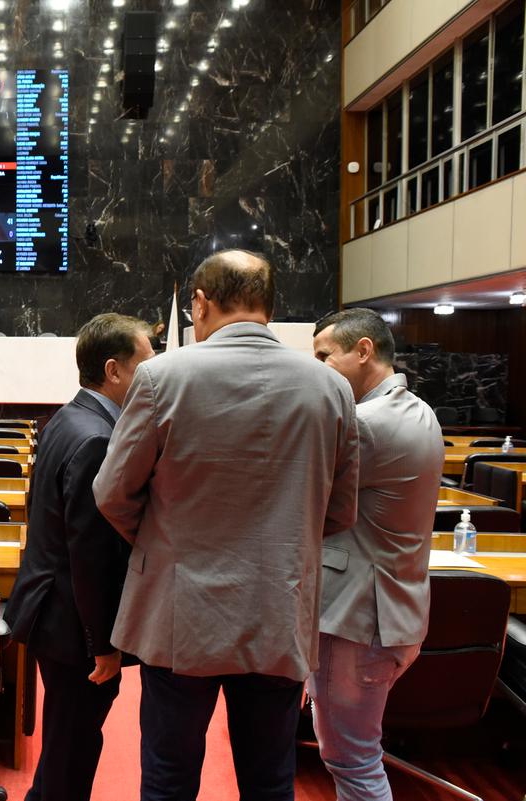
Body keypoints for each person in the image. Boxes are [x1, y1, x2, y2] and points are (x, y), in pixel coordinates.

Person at [92, 250, 361, 801]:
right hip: (280, 609)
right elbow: (341, 511)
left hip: (179, 614)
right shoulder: (331, 388)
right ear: (269, 305)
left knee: (169, 778)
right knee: (269, 780)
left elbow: (112, 493)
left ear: (200, 304)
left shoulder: (161, 377)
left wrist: (162, 540)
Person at [4, 313, 154, 801]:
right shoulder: (97, 438)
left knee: (65, 743)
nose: (155, 377)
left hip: (53, 613)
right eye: (146, 365)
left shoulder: (68, 417)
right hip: (73, 627)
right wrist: (103, 646)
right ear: (114, 370)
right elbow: (89, 557)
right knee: (74, 750)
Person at [308, 308, 443, 801]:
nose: (318, 367)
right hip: (392, 610)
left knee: (352, 761)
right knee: (356, 756)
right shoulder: (418, 408)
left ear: (363, 351)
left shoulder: (365, 423)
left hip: (358, 620)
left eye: (325, 356)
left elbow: (294, 491)